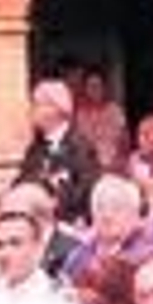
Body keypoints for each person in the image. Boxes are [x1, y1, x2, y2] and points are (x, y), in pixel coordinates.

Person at [16, 80, 101, 226]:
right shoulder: (35, 149)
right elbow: (22, 182)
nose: (31, 110)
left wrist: (52, 205)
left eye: (37, 104)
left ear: (55, 109)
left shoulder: (80, 146)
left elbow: (86, 189)